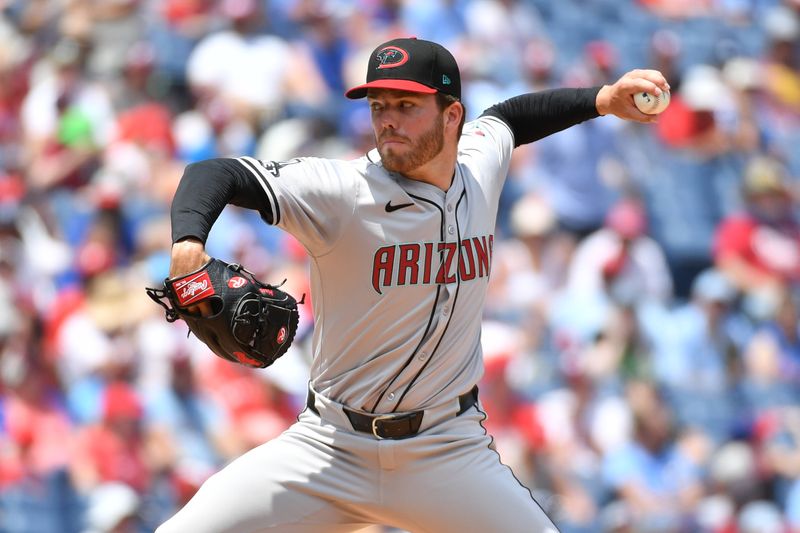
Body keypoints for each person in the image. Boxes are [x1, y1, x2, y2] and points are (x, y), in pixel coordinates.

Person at [156, 37, 669, 533]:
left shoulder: (478, 162)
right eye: (379, 105)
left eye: (406, 104)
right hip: (329, 448)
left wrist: (601, 100)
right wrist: (187, 245)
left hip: (446, 451)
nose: (388, 120)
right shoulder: (341, 191)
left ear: (452, 117)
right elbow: (214, 172)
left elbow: (512, 117)